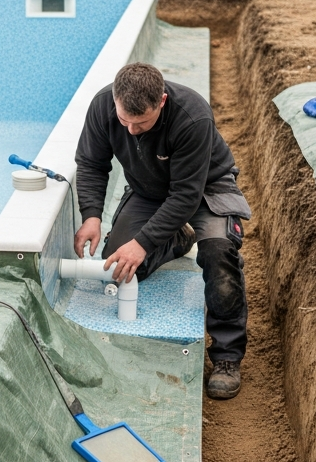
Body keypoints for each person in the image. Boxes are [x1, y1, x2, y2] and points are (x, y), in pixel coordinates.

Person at [74, 62, 251, 399]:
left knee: (218, 254)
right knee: (122, 268)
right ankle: (176, 237)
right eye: (124, 120)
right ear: (115, 100)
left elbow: (186, 196)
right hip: (148, 190)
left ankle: (227, 355)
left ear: (162, 101)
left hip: (206, 189)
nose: (131, 131)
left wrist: (143, 242)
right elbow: (92, 165)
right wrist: (92, 215)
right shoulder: (102, 106)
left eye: (141, 123)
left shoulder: (192, 116)